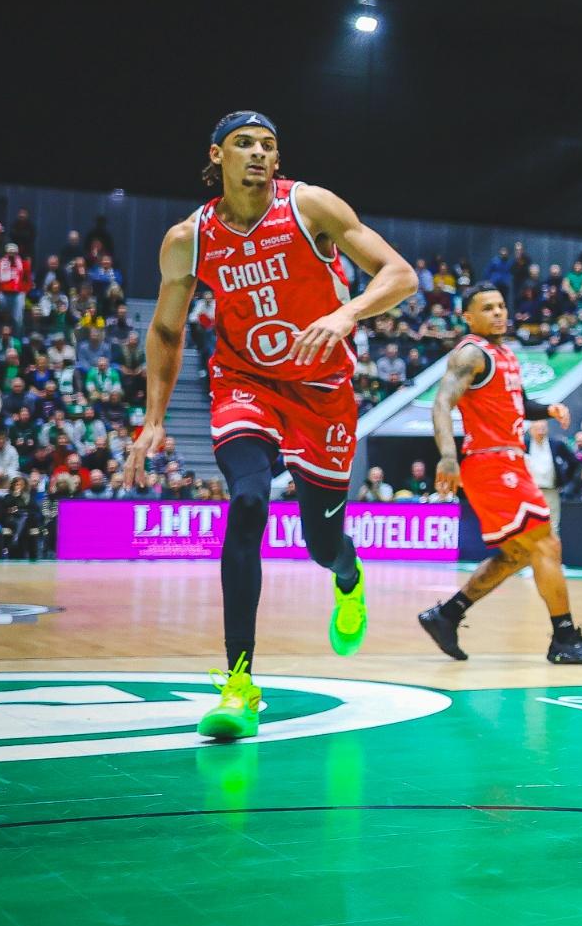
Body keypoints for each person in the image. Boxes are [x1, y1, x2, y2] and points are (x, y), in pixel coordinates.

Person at [131, 110, 416, 741]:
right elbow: (168, 329)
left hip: (322, 392)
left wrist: (348, 314)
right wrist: (154, 417)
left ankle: (348, 572)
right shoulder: (189, 237)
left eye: (268, 145)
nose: (259, 154)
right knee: (248, 499)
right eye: (244, 144)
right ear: (218, 156)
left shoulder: (309, 206)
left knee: (319, 543)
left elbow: (400, 274)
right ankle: (239, 684)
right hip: (246, 383)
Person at [417, 284, 582, 665]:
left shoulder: (503, 354)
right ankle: (565, 638)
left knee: (518, 554)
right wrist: (447, 457)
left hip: (507, 460)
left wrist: (547, 409)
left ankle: (447, 615)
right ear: (468, 318)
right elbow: (441, 403)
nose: (498, 313)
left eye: (502, 306)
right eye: (487, 308)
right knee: (546, 545)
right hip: (490, 462)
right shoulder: (470, 353)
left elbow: (516, 403)